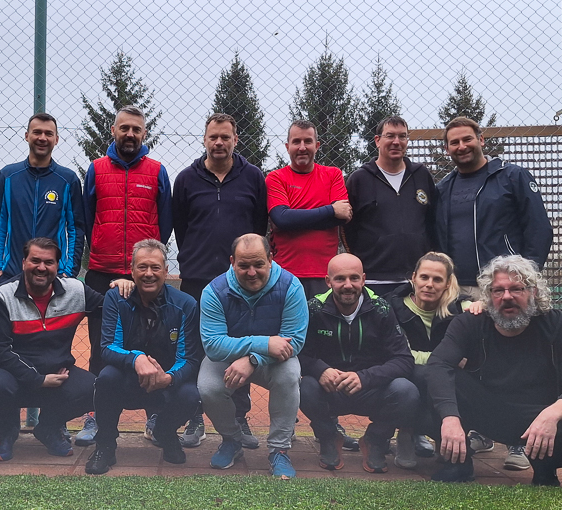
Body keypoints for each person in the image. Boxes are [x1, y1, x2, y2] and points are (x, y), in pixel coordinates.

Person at [434, 116, 554, 470]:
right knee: (469, 359)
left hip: (504, 289)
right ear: (447, 148)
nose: (461, 146)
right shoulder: (444, 187)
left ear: (481, 139)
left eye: (467, 139)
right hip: (459, 288)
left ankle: (519, 440)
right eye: (454, 142)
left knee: (515, 359)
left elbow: (539, 229)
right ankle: (480, 429)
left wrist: (523, 281)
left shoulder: (511, 177)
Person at [424, 255, 562, 486]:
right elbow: (438, 364)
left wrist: (551, 415)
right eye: (498, 290)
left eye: (516, 289)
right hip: (486, 410)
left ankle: (545, 466)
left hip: (538, 415)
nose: (507, 296)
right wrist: (450, 418)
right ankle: (458, 463)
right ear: (489, 295)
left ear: (533, 292)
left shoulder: (560, 328)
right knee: (426, 378)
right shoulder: (469, 323)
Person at [0, 112, 86, 441]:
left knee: (53, 349)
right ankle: (4, 422)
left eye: (48, 133)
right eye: (37, 132)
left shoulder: (67, 179)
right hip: (11, 277)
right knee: (8, 350)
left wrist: (68, 272)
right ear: (27, 135)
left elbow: (75, 227)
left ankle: (52, 422)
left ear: (57, 139)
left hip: (51, 278)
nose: (42, 138)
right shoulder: (9, 175)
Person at [171, 112, 268, 449]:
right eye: (213, 136)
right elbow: (181, 227)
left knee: (239, 346)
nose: (219, 142)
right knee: (196, 348)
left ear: (235, 140)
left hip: (239, 282)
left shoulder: (253, 177)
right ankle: (195, 416)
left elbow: (258, 226)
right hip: (197, 278)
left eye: (225, 137)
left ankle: (238, 417)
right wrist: (195, 258)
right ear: (204, 139)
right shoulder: (186, 179)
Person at [0, 238, 118, 460]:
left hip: (58, 375)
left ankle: (48, 428)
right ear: (23, 262)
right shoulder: (3, 295)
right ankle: (5, 430)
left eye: (49, 262)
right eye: (35, 261)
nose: (41, 267)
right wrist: (37, 379)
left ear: (57, 266)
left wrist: (120, 287)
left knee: (96, 388)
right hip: (12, 375)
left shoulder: (75, 290)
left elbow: (112, 309)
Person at [81, 106, 171, 444]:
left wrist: (146, 264)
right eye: (124, 128)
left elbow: (165, 220)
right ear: (113, 130)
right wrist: (102, 247)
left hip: (143, 275)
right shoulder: (96, 169)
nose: (130, 134)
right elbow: (88, 216)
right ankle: (95, 416)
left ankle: (154, 416)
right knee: (100, 347)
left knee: (151, 345)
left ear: (144, 133)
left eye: (136, 129)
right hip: (102, 271)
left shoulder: (157, 171)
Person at [84, 240, 201, 474]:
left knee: (191, 395)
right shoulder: (116, 298)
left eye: (155, 267)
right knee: (106, 377)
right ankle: (105, 444)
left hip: (165, 383)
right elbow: (107, 347)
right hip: (127, 379)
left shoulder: (186, 304)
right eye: (142, 267)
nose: (149, 274)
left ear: (166, 271)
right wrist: (137, 359)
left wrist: (168, 378)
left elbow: (189, 359)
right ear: (132, 270)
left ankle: (165, 433)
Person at [197, 234, 308, 479]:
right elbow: (213, 346)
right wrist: (263, 343)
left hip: (274, 360)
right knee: (208, 387)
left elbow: (295, 341)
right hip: (231, 358)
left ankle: (279, 450)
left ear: (270, 259)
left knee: (290, 374)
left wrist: (253, 359)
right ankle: (232, 440)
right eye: (243, 265)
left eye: (258, 264)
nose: (251, 272)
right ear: (232, 262)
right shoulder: (214, 291)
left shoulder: (291, 286)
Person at [299, 254, 418, 473]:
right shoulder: (314, 309)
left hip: (371, 389)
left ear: (363, 279)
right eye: (340, 279)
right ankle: (328, 437)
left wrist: (365, 378)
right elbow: (298, 353)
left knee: (407, 391)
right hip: (331, 388)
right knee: (304, 387)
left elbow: (404, 359)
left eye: (354, 278)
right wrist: (320, 370)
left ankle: (375, 440)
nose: (348, 285)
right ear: (328, 281)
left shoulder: (381, 309)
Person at [385, 251, 480, 468]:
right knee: (420, 375)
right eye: (424, 277)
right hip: (407, 375)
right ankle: (406, 433)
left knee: (452, 379)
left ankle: (445, 438)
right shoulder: (393, 306)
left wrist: (481, 307)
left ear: (447, 284)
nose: (429, 284)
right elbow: (401, 355)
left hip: (445, 378)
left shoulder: (459, 308)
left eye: (437, 279)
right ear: (414, 278)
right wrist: (447, 359)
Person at [344, 116, 437, 297]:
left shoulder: (421, 175)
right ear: (377, 140)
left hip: (417, 278)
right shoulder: (359, 179)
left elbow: (432, 220)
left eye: (402, 136)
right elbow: (348, 228)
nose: (396, 142)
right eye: (390, 136)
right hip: (374, 278)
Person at [265, 120, 351, 298]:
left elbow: (342, 216)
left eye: (308, 141)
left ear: (317, 145)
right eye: (296, 142)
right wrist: (330, 211)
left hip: (326, 275)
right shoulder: (275, 178)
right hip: (285, 274)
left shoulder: (333, 175)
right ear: (287, 147)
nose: (302, 147)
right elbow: (282, 219)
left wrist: (293, 218)